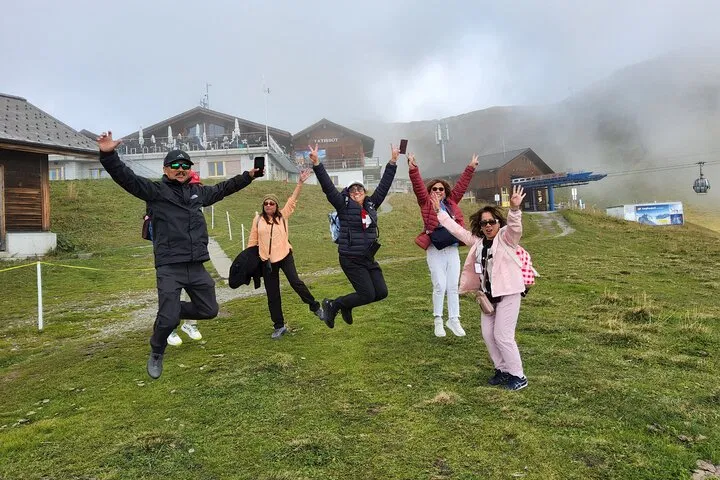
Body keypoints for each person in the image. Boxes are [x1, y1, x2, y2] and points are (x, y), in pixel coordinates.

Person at [97, 132, 258, 379]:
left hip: (196, 266)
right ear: (165, 169)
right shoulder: (155, 192)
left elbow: (224, 188)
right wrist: (108, 154)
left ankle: (170, 312)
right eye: (175, 165)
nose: (180, 169)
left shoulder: (197, 193)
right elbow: (125, 178)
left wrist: (248, 176)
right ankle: (157, 351)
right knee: (168, 318)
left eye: (185, 165)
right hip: (170, 266)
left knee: (209, 310)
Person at [431, 185, 529, 391]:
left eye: (492, 222)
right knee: (488, 335)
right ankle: (502, 370)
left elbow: (515, 227)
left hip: (509, 293)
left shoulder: (507, 239)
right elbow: (457, 230)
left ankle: (518, 376)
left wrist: (514, 209)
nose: (488, 226)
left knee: (503, 336)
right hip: (487, 296)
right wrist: (439, 211)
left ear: (499, 223)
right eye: (484, 223)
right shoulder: (478, 242)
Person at [310, 143, 398, 327]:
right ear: (348, 193)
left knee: (381, 293)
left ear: (365, 192)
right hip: (350, 258)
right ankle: (334, 304)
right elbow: (327, 187)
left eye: (360, 189)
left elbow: (384, 186)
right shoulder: (343, 205)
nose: (357, 192)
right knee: (367, 294)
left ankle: (346, 306)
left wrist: (392, 162)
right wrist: (317, 163)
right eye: (353, 190)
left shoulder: (371, 205)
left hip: (368, 258)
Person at [408, 152, 478, 337]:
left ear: (445, 191)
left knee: (453, 286)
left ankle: (454, 319)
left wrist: (470, 168)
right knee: (439, 284)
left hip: (452, 248)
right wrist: (413, 168)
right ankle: (438, 320)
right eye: (435, 189)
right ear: (430, 191)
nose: (438, 191)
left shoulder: (452, 202)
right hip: (435, 249)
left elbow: (462, 185)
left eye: (441, 189)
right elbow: (418, 186)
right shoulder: (425, 203)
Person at [248, 168, 323, 339]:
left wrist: (300, 183)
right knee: (273, 294)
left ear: (276, 206)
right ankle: (279, 326)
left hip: (284, 256)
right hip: (267, 261)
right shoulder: (257, 220)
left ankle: (316, 307)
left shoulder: (283, 216)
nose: (268, 205)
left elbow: (292, 200)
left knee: (296, 282)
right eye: (266, 203)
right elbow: (252, 239)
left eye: (271, 203)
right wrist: (249, 259)